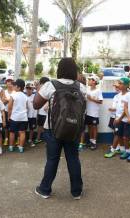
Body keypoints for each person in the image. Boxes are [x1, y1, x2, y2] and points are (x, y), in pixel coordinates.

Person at [33, 58, 85, 200]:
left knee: (52, 160)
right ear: (74, 71)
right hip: (74, 129)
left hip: (52, 129)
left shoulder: (51, 85)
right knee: (73, 159)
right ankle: (76, 192)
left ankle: (44, 190)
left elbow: (36, 105)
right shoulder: (81, 87)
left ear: (59, 69)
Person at [8, 79, 28, 153]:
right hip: (23, 117)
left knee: (12, 132)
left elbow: (9, 107)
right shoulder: (25, 96)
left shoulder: (13, 95)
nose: (13, 86)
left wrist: (9, 116)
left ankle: (11, 147)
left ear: (19, 87)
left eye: (15, 85)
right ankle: (21, 147)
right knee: (22, 132)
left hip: (14, 117)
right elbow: (26, 107)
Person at [113, 77, 130, 159]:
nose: (119, 85)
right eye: (119, 83)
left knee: (125, 137)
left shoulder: (129, 95)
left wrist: (120, 118)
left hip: (126, 120)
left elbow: (126, 109)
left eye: (121, 83)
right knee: (119, 135)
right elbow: (118, 108)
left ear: (126, 85)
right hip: (118, 118)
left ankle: (128, 151)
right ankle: (123, 150)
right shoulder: (118, 95)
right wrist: (116, 118)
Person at [84, 75, 103, 150]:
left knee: (94, 127)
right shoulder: (87, 90)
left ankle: (94, 142)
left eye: (90, 80)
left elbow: (100, 101)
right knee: (89, 127)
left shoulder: (98, 91)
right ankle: (91, 140)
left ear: (94, 81)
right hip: (87, 112)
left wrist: (91, 99)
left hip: (94, 113)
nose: (88, 81)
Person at [104, 81, 121, 158]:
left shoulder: (125, 96)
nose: (116, 88)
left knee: (118, 133)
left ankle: (115, 148)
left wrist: (114, 109)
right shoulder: (116, 96)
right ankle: (117, 146)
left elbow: (123, 109)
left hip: (119, 117)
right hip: (113, 116)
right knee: (115, 132)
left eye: (117, 87)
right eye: (115, 87)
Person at [35, 77, 50, 146]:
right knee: (40, 126)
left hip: (47, 113)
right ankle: (38, 138)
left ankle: (47, 141)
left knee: (46, 128)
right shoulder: (39, 90)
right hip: (41, 112)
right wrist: (37, 113)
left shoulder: (49, 90)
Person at [2, 76, 15, 146]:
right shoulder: (4, 91)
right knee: (6, 127)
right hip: (6, 111)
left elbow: (16, 102)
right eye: (8, 81)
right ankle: (6, 139)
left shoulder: (15, 91)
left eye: (10, 81)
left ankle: (14, 139)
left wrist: (8, 100)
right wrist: (9, 100)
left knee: (13, 126)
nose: (9, 83)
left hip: (14, 112)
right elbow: (3, 102)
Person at [26, 82, 37, 146]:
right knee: (23, 129)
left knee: (32, 129)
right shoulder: (23, 96)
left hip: (33, 116)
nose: (28, 90)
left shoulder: (35, 96)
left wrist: (35, 87)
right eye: (27, 88)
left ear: (33, 89)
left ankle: (30, 140)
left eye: (30, 88)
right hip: (25, 116)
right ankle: (22, 140)